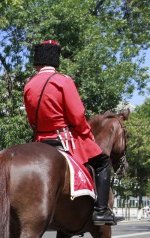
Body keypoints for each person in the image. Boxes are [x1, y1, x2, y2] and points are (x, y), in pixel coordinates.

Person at [24, 40, 116, 225]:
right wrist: (86, 133)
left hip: (39, 140)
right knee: (103, 162)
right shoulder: (63, 81)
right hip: (64, 139)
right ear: (55, 60)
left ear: (38, 62)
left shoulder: (29, 85)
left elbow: (31, 120)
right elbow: (77, 115)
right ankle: (100, 211)